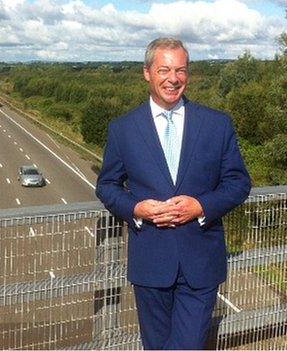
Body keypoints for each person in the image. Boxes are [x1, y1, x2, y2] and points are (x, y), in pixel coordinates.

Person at [95, 38, 251, 349]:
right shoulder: (123, 130)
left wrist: (201, 206)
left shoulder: (216, 125)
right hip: (150, 261)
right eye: (164, 69)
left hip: (201, 262)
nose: (173, 78)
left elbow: (238, 183)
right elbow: (107, 186)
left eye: (180, 70)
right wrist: (137, 209)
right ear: (147, 73)